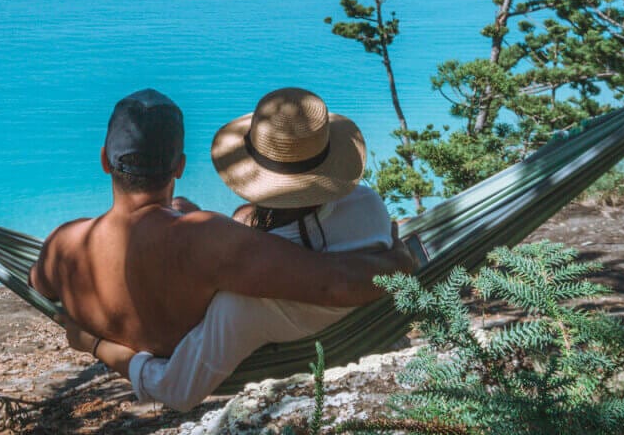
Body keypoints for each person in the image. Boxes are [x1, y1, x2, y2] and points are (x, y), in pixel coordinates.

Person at [62, 87, 398, 411]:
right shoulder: (369, 207)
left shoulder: (244, 303)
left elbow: (175, 389)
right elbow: (279, 243)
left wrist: (92, 343)